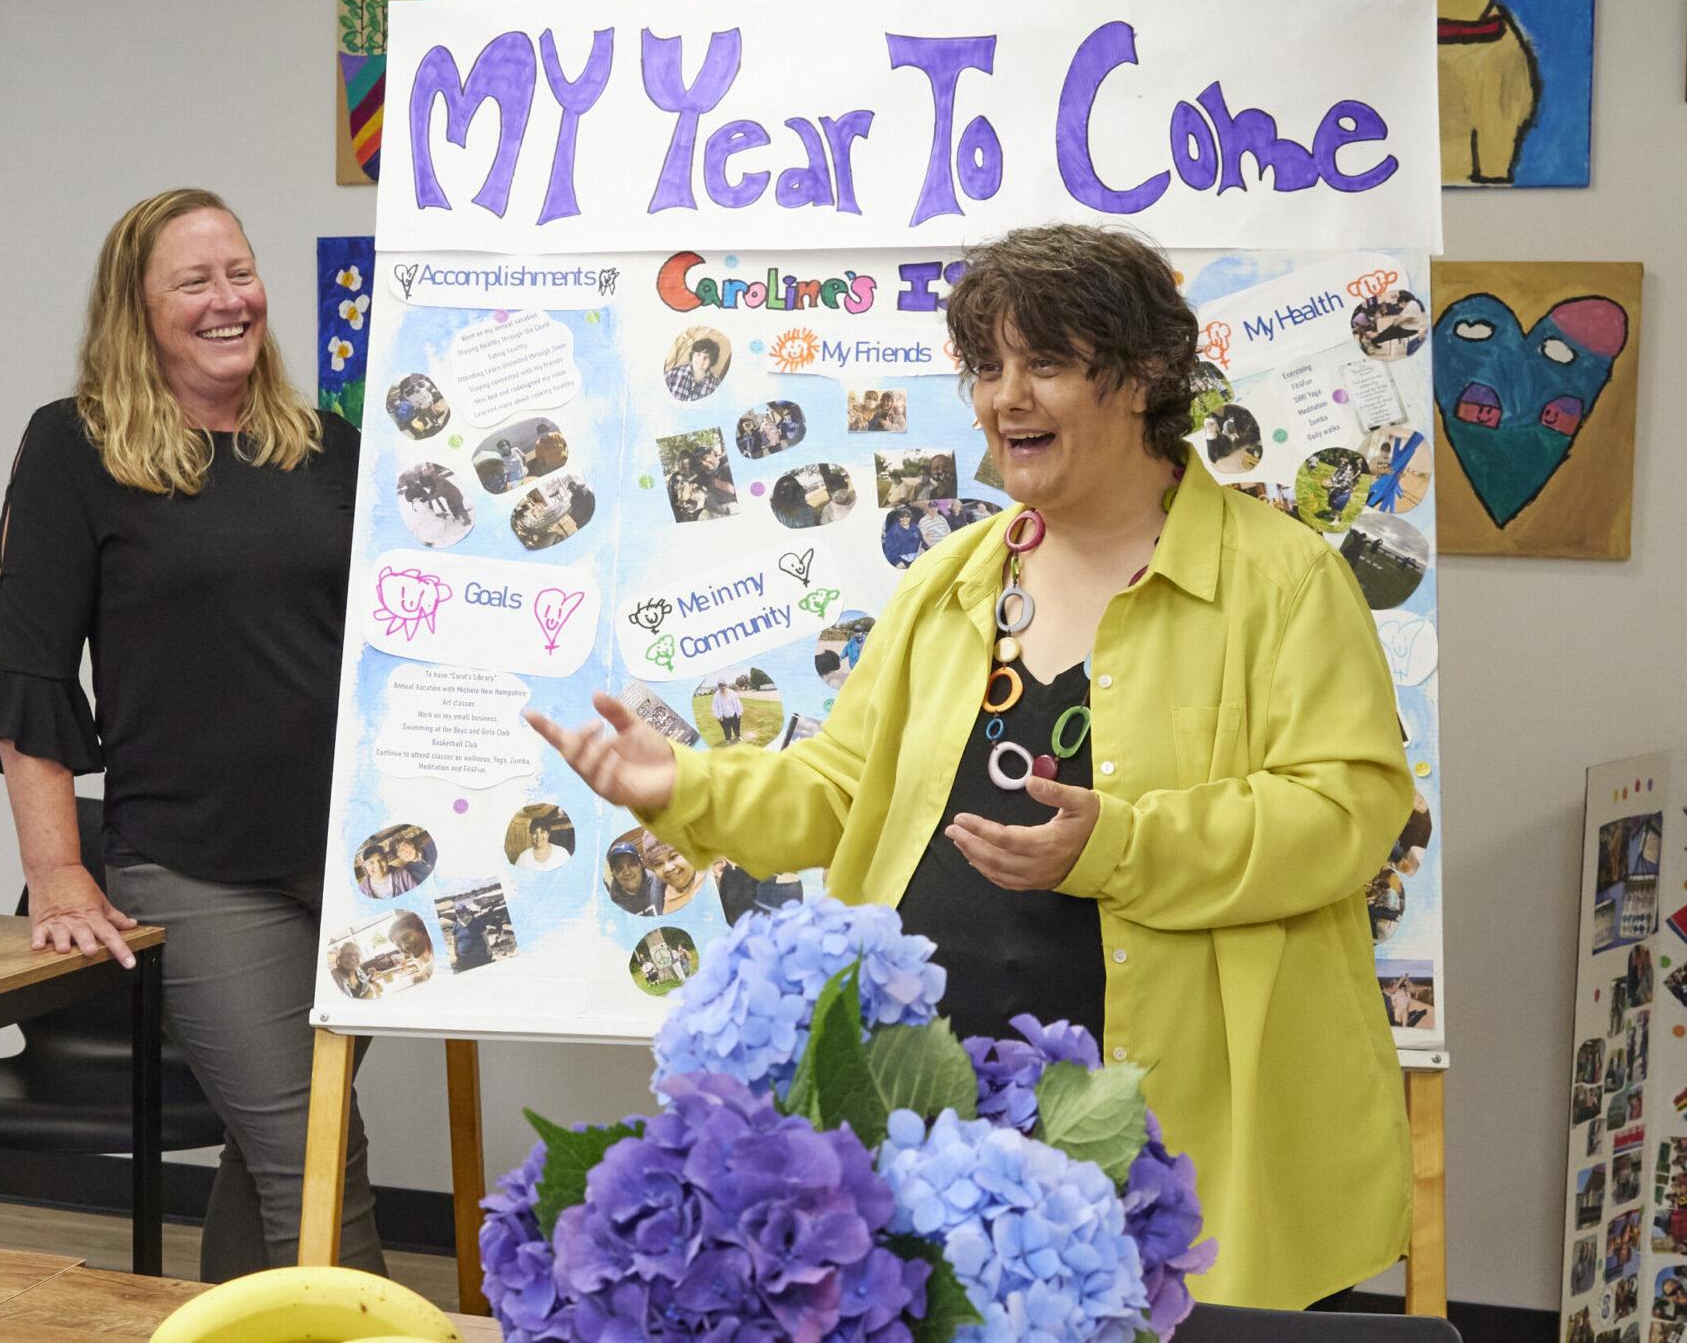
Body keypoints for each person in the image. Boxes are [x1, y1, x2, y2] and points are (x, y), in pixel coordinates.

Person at [525, 224, 1415, 1310]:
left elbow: (1346, 810)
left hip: (1164, 1116)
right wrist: (684, 788)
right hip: (938, 1106)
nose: (1005, 398)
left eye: (1043, 363)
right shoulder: (953, 576)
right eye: (986, 367)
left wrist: (1120, 845)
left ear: (1141, 378)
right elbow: (846, 790)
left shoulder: (1281, 581)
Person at [0, 187, 383, 1281]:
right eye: (192, 281)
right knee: (317, 1166)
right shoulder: (74, 448)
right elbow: (33, 675)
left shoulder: (327, 446)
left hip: (358, 867)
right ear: (136, 309)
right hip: (195, 866)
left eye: (238, 272)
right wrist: (55, 869)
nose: (226, 299)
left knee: (270, 1154)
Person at [605, 843, 667, 916]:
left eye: (631, 864)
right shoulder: (610, 908)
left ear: (641, 865)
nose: (627, 872)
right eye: (619, 868)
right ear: (613, 873)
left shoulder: (663, 884)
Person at [663, 336, 723, 401]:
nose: (701, 360)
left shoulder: (717, 385)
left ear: (712, 361)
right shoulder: (673, 373)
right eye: (698, 354)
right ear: (692, 355)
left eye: (706, 357)